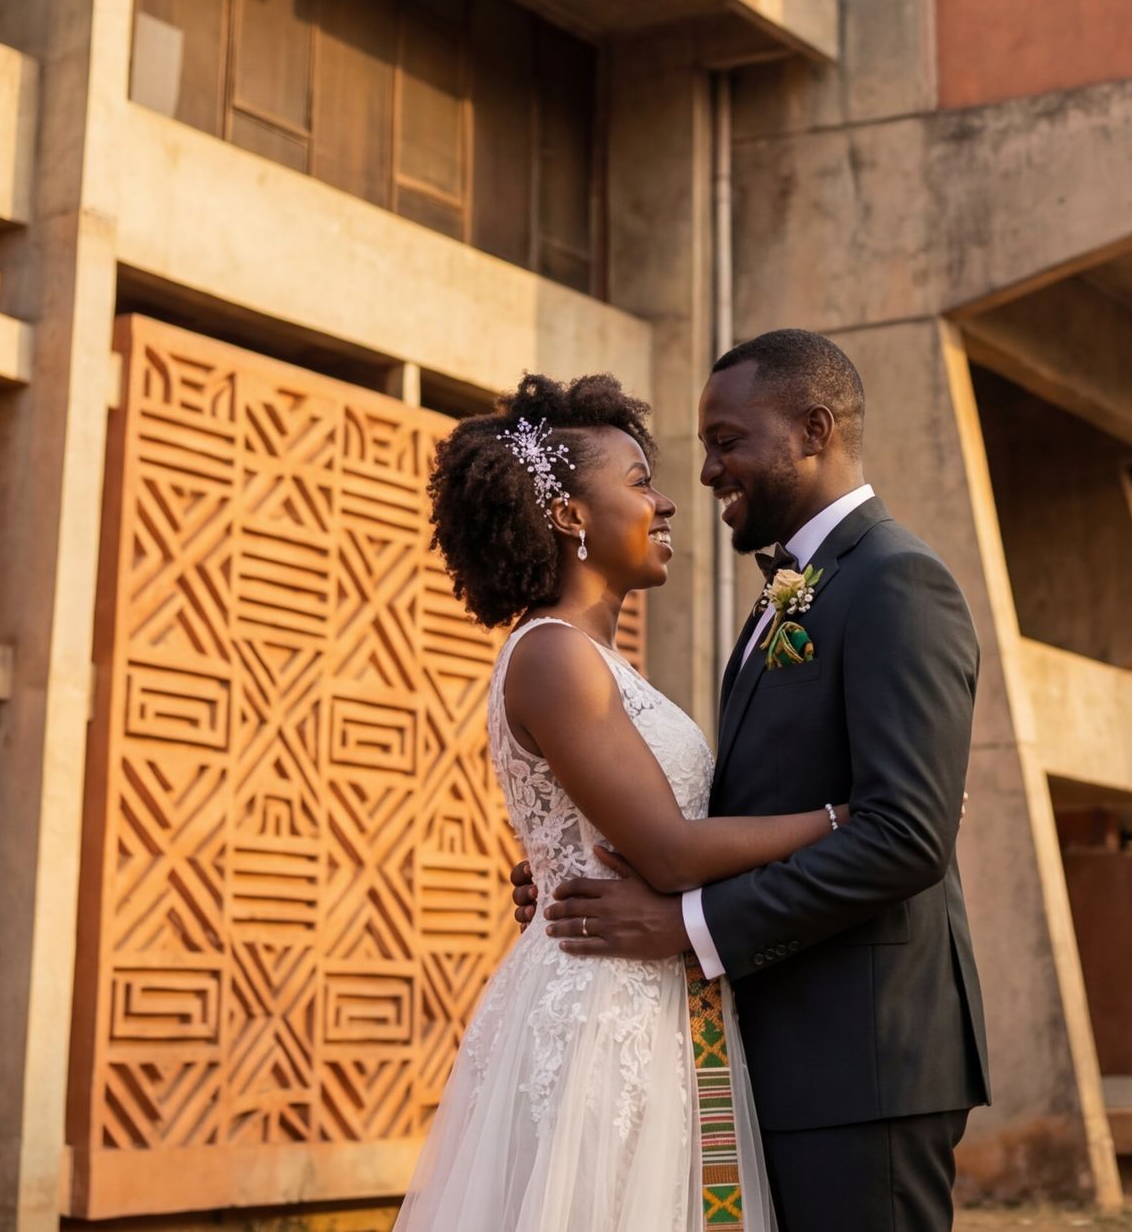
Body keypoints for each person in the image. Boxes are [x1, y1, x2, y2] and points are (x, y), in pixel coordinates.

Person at [520, 328, 989, 1232]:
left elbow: (906, 837)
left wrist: (683, 925)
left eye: (726, 441)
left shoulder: (897, 584)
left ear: (812, 429)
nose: (704, 475)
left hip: (865, 1055)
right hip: (776, 1046)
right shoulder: (786, 594)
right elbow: (732, 810)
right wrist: (583, 868)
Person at [394, 370, 854, 1232]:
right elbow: (671, 852)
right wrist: (843, 819)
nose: (670, 501)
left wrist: (546, 867)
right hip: (604, 1016)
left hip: (657, 999)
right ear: (570, 514)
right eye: (640, 482)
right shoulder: (554, 656)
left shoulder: (597, 663)